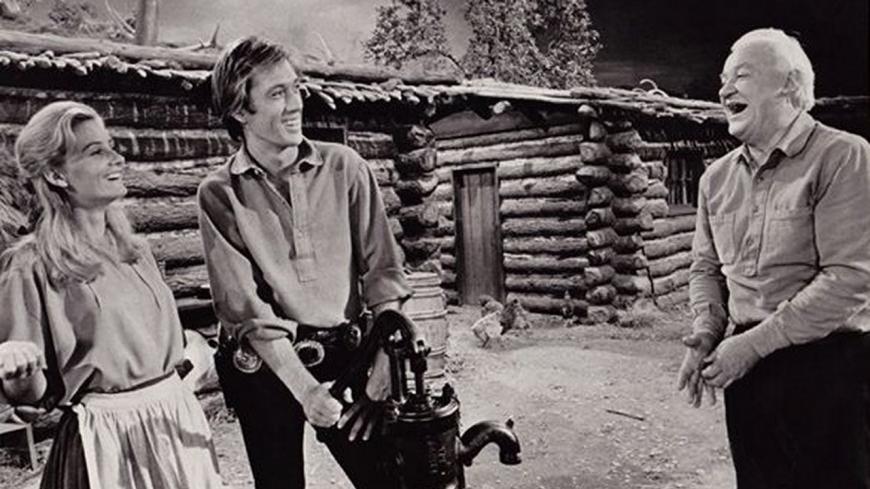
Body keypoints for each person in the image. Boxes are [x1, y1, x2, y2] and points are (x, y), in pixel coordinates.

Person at [199, 36, 413, 489]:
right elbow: (245, 309)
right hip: (266, 367)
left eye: (296, 88)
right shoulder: (219, 193)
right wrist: (306, 390)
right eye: (277, 94)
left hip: (349, 355)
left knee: (390, 481)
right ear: (240, 110)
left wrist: (383, 364)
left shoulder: (346, 168)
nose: (296, 103)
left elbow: (384, 274)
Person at [677, 28, 870, 488]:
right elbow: (706, 268)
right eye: (723, 80)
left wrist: (752, 346)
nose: (724, 89)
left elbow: (850, 278)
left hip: (831, 368)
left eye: (741, 76)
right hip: (747, 373)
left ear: (789, 85)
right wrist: (706, 332)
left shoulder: (844, 157)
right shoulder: (715, 179)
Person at [0, 101, 224, 488]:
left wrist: (193, 351)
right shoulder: (32, 265)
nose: (116, 158)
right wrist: (20, 368)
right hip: (107, 443)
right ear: (55, 174)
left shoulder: (135, 251)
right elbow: (31, 397)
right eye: (95, 151)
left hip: (174, 424)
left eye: (111, 146)